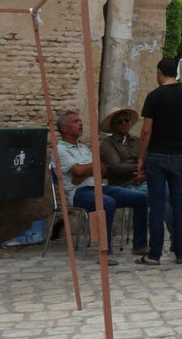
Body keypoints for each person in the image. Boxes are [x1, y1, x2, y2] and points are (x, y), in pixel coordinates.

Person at [98, 106, 182, 254]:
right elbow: (116, 167)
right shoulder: (107, 144)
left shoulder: (137, 141)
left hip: (143, 180)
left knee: (166, 192)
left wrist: (143, 172)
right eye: (119, 121)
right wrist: (138, 166)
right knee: (162, 195)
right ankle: (179, 235)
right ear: (113, 125)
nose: (124, 123)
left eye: (126, 120)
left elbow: (149, 161)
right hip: (123, 185)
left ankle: (177, 238)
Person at [55, 109, 149, 263]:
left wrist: (85, 171)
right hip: (78, 192)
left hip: (98, 187)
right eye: (75, 121)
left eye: (80, 121)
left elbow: (103, 169)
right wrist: (89, 169)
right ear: (64, 128)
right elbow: (78, 170)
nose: (80, 124)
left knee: (141, 198)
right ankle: (105, 252)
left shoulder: (83, 148)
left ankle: (139, 244)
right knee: (107, 203)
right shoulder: (60, 150)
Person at [136, 57, 182, 266]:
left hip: (157, 154)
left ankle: (154, 254)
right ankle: (181, 253)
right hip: (179, 154)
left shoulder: (154, 96)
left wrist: (140, 158)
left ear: (160, 72)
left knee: (157, 205)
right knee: (179, 204)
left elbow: (146, 131)